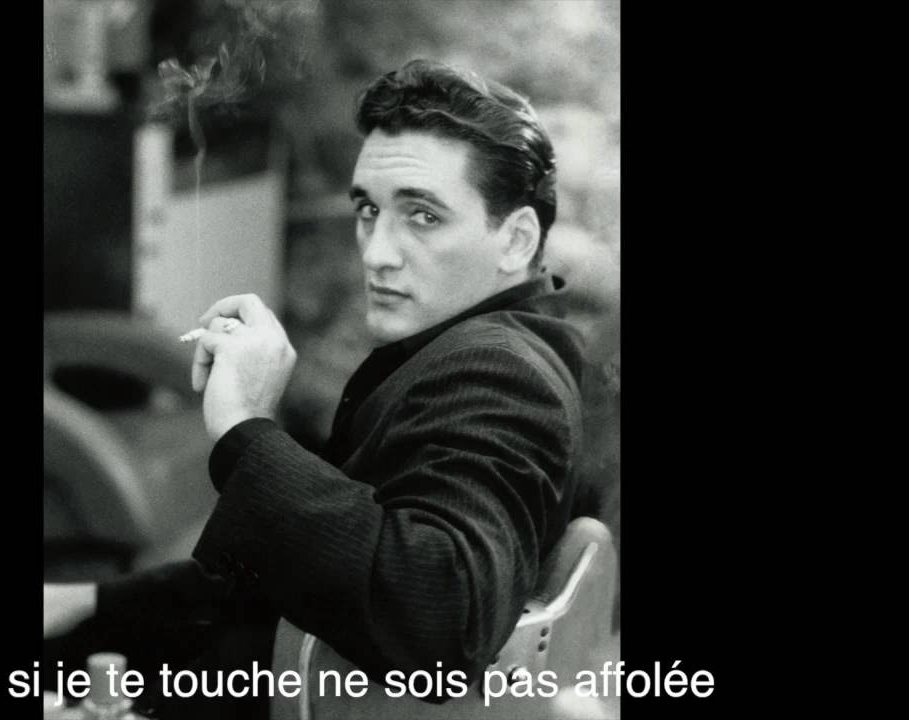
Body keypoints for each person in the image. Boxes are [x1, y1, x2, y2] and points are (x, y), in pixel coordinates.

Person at [45, 58, 598, 719]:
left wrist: (244, 426)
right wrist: (92, 601)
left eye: (423, 215)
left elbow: (439, 618)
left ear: (516, 240)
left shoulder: (497, 374)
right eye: (369, 209)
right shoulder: (479, 349)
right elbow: (313, 571)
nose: (376, 252)